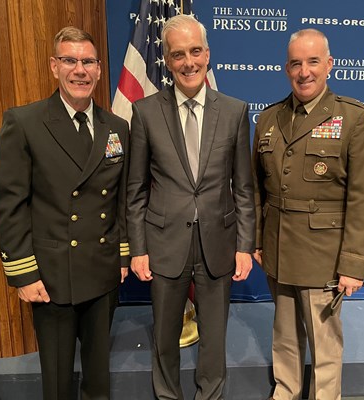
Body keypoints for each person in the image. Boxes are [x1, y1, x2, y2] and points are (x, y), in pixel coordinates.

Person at [0, 26, 130, 400]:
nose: (80, 70)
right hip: (52, 277)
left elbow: (119, 201)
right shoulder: (25, 123)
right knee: (57, 382)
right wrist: (23, 273)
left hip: (101, 271)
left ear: (100, 69)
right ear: (54, 66)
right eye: (70, 60)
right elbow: (9, 206)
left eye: (88, 62)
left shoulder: (116, 127)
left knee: (98, 380)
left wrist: (121, 254)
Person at [127, 14, 255, 400]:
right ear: (166, 60)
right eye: (178, 54)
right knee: (164, 338)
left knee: (214, 340)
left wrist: (245, 245)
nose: (189, 62)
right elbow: (135, 190)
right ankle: (167, 396)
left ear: (208, 54)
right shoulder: (146, 112)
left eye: (196, 51)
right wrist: (138, 248)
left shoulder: (234, 111)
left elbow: (245, 188)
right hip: (164, 244)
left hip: (219, 242)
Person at [252, 29, 364, 400]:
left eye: (313, 62)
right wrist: (258, 241)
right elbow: (258, 189)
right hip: (278, 250)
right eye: (296, 63)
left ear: (329, 64)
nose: (304, 71)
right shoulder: (268, 119)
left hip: (324, 256)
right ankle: (286, 391)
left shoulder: (355, 118)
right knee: (284, 336)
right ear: (286, 68)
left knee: (325, 345)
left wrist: (354, 264)